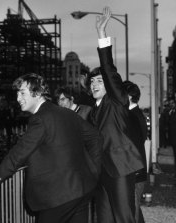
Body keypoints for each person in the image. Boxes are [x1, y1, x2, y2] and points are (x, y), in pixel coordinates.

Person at [0, 73, 103, 223]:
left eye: (22, 93)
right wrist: (94, 170)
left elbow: (20, 151)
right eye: (17, 93)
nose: (18, 98)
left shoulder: (40, 118)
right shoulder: (66, 113)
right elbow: (95, 138)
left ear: (37, 93)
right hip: (81, 189)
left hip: (59, 197)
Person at [87, 7, 144, 223]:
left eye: (99, 81)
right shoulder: (93, 111)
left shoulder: (117, 101)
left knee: (124, 219)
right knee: (105, 220)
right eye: (91, 81)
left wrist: (101, 34)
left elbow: (109, 70)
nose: (94, 84)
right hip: (101, 173)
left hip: (120, 169)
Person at [123, 80, 148, 223]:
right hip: (136, 169)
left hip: (135, 170)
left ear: (129, 96)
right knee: (134, 208)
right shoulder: (134, 114)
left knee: (132, 210)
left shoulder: (133, 116)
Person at [166, 98, 176, 178]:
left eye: (173, 103)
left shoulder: (173, 112)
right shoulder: (170, 112)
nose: (171, 104)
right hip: (173, 139)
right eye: (170, 103)